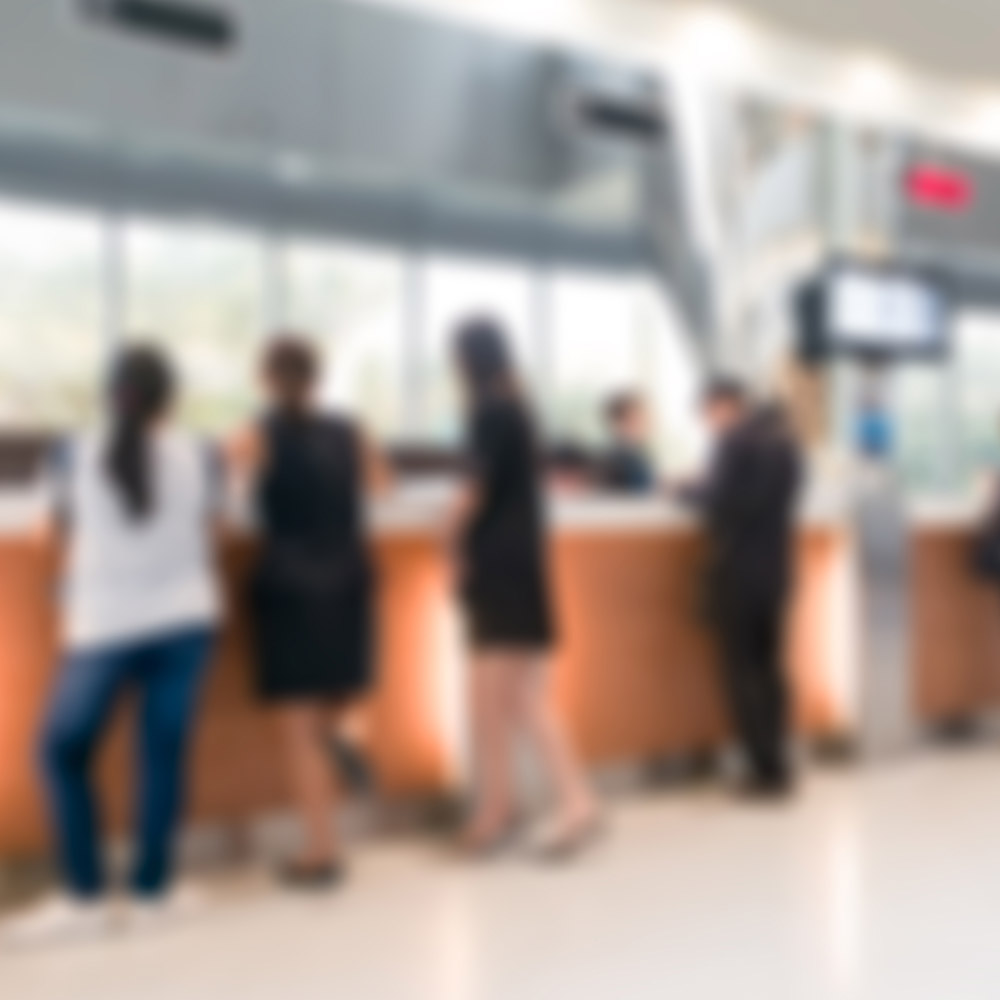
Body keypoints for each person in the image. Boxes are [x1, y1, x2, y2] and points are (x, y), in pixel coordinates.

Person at [3, 345, 221, 946]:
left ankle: (85, 897)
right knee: (161, 757)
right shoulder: (203, 455)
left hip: (103, 624)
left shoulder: (72, 453)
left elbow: (45, 530)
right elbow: (210, 529)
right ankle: (154, 892)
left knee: (62, 752)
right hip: (186, 621)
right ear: (170, 398)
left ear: (111, 395)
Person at [228, 335, 387, 890]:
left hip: (291, 584)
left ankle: (321, 852)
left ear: (265, 380)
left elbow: (230, 497)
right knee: (329, 700)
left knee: (297, 729)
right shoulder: (352, 431)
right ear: (318, 380)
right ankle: (341, 729)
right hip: (348, 578)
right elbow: (383, 488)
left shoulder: (254, 434)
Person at [448, 316, 600, 859]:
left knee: (507, 698)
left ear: (465, 360)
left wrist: (448, 534)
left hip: (498, 569)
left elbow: (474, 491)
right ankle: (510, 807)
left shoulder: (489, 410)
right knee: (503, 698)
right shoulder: (516, 407)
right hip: (517, 565)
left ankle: (557, 805)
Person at [688, 378, 803, 797]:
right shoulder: (786, 444)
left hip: (736, 573)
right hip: (776, 571)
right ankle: (780, 763)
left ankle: (762, 770)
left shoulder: (732, 442)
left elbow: (715, 499)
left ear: (724, 404)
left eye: (706, 412)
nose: (707, 423)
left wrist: (684, 488)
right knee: (771, 671)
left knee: (741, 672)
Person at [598, 392, 657, 494]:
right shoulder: (613, 459)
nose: (645, 424)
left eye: (645, 418)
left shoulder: (640, 453)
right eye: (637, 419)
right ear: (618, 424)